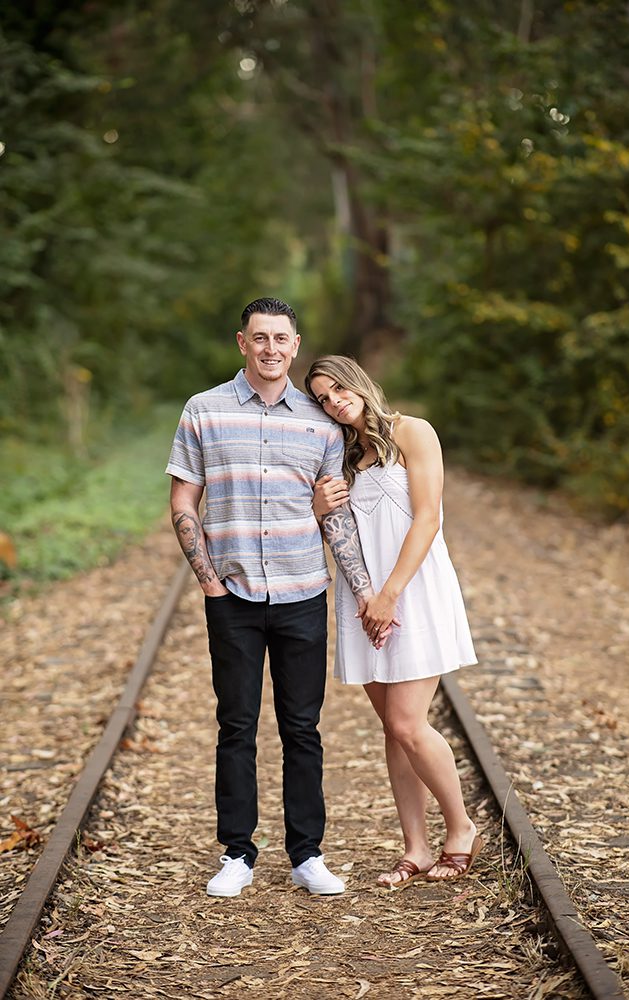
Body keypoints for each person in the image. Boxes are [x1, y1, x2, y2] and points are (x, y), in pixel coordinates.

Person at [166, 299, 381, 898]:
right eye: (259, 338)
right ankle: (237, 853)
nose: (270, 349)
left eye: (281, 339)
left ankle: (306, 854)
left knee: (302, 728)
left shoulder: (320, 422)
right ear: (242, 343)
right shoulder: (203, 410)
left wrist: (363, 592)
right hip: (231, 594)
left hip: (303, 592)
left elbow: (333, 514)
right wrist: (210, 582)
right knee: (235, 725)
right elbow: (184, 503)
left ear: (295, 344)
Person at [305, 355, 482, 888]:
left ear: (358, 382)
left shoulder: (413, 432)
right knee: (393, 729)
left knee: (408, 723)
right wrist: (316, 510)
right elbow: (338, 533)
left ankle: (461, 828)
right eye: (322, 398)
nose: (334, 401)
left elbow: (428, 516)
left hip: (413, 590)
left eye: (338, 389)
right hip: (363, 600)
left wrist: (390, 595)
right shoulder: (338, 454)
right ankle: (416, 846)